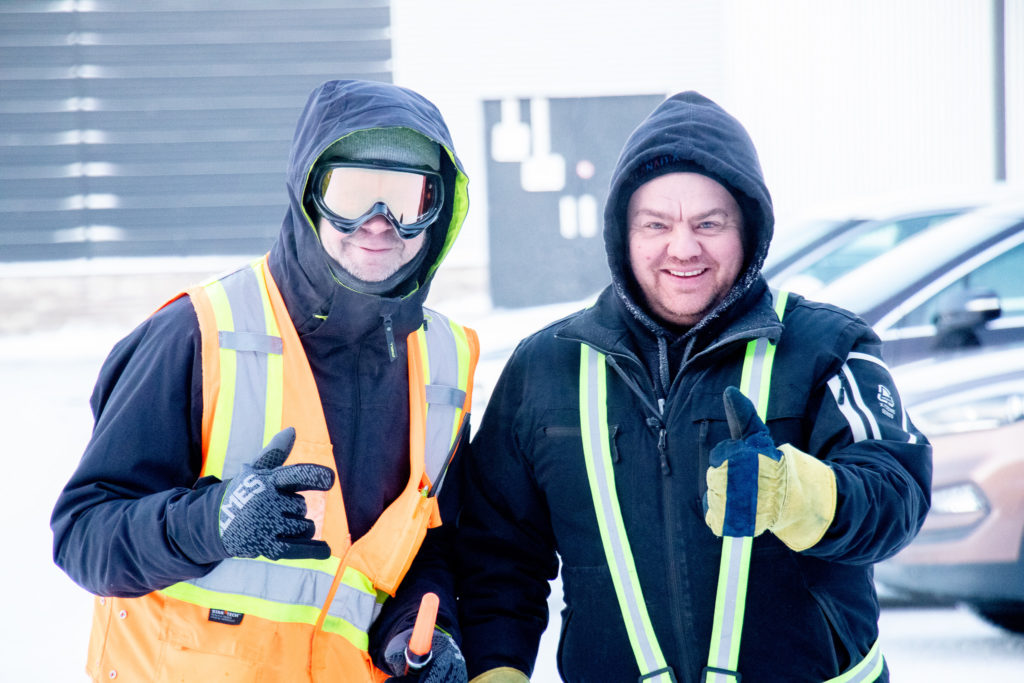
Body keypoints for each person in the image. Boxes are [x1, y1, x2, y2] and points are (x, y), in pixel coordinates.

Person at [455, 91, 931, 683]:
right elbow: (494, 555)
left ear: (748, 230)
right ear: (622, 236)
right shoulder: (546, 368)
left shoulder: (825, 347)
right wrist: (496, 667)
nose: (683, 248)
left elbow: (896, 490)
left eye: (710, 223)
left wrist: (799, 496)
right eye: (656, 224)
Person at [51, 79, 478, 683]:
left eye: (408, 200)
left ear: (439, 211)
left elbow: (425, 548)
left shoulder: (444, 364)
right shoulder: (197, 334)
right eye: (352, 193)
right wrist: (213, 521)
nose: (380, 223)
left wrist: (415, 631)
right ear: (309, 196)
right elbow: (83, 536)